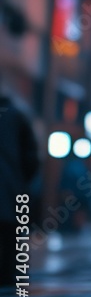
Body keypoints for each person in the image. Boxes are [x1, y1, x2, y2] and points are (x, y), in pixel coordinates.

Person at [0, 92, 40, 285]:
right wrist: (21, 181)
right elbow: (31, 158)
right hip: (12, 190)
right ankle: (10, 278)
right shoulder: (16, 116)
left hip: (11, 188)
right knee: (12, 239)